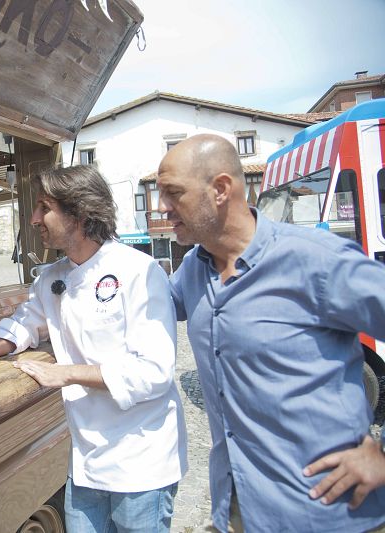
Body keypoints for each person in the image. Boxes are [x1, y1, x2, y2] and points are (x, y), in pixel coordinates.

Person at [157, 134, 385, 532]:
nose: (162, 208)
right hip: (240, 511)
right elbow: (133, 305)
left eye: (174, 193)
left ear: (221, 189)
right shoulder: (193, 270)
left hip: (330, 516)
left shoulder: (315, 260)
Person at [0, 165, 188, 532]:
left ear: (79, 213)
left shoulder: (139, 271)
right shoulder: (52, 278)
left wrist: (66, 374)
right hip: (87, 459)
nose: (33, 219)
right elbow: (26, 323)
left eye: (44, 207)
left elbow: (152, 373)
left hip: (141, 459)